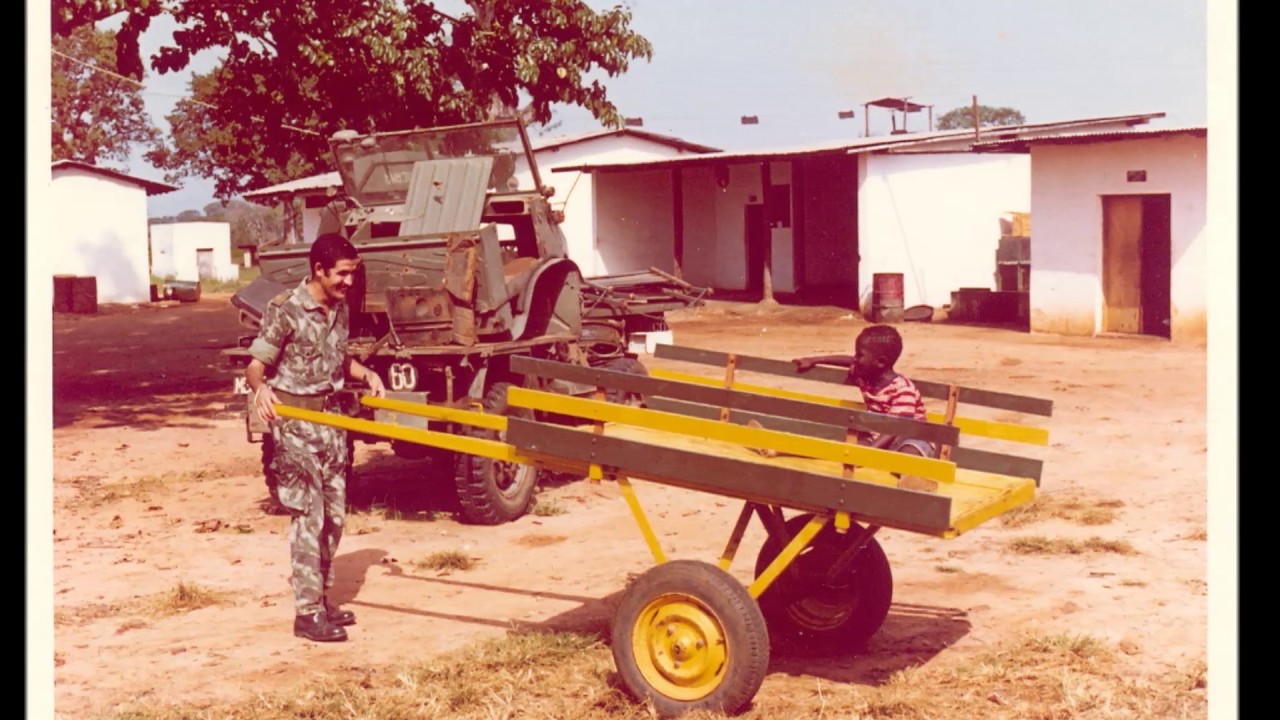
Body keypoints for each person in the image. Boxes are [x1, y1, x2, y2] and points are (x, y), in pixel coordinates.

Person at [244, 232, 386, 643]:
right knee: (309, 517)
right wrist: (260, 389)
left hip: (331, 426)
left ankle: (322, 602)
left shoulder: (337, 309)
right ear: (319, 270)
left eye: (353, 275)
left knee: (335, 519)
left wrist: (366, 373)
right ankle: (306, 615)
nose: (349, 282)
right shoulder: (286, 310)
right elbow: (256, 364)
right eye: (342, 274)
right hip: (296, 429)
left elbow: (337, 358)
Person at [792, 324, 935, 458]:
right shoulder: (865, 377)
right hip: (878, 436)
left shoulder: (902, 389)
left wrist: (869, 454)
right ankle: (792, 451)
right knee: (848, 451)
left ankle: (912, 479)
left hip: (910, 437)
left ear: (880, 362)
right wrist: (815, 360)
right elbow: (849, 361)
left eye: (859, 355)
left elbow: (897, 427)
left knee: (908, 454)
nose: (855, 359)